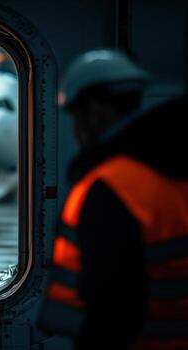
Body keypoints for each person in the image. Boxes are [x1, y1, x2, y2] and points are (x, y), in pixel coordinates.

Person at [38, 49, 188, 349]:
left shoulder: (112, 187)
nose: (75, 128)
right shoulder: (171, 169)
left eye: (76, 115)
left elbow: (113, 305)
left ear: (95, 111)